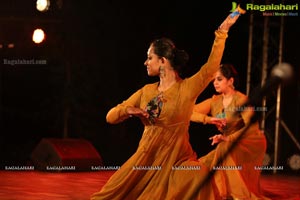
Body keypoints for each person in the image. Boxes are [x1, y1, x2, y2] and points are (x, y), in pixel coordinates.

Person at [91, 8, 243, 200]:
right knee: (109, 196)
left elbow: (210, 68)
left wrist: (222, 31)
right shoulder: (146, 91)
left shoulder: (186, 89)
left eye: (149, 58)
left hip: (177, 161)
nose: (146, 63)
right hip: (145, 160)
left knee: (200, 174)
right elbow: (110, 117)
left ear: (162, 61)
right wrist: (127, 110)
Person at [191, 63, 270, 199]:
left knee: (222, 148)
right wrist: (208, 119)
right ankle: (220, 192)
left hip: (249, 142)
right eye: (214, 80)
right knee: (200, 166)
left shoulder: (241, 100)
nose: (215, 83)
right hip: (226, 143)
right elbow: (190, 112)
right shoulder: (214, 101)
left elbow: (251, 128)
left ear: (231, 81)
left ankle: (235, 194)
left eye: (219, 79)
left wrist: (228, 139)